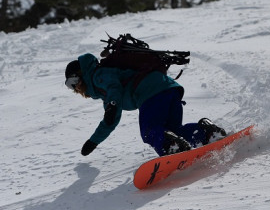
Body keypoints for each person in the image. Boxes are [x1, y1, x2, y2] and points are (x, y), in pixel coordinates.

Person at [65, 53, 227, 157]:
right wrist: (93, 141)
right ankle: (207, 133)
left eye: (73, 81)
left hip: (151, 92)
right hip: (169, 89)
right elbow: (110, 121)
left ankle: (173, 147)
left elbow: (113, 87)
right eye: (70, 86)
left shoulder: (97, 75)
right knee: (173, 131)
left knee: (149, 132)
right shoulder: (103, 92)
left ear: (81, 73)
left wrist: (113, 103)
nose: (75, 88)